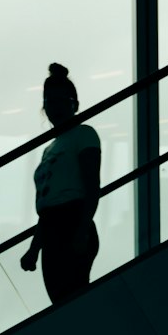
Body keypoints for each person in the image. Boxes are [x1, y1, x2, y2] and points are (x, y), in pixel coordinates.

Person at [20, 63, 101, 304]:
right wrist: (35, 248)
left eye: (59, 101)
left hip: (72, 221)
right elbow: (48, 208)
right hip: (55, 228)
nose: (54, 108)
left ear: (74, 104)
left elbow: (91, 187)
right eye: (49, 102)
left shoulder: (84, 134)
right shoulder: (50, 149)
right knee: (63, 301)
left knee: (70, 300)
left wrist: (82, 228)